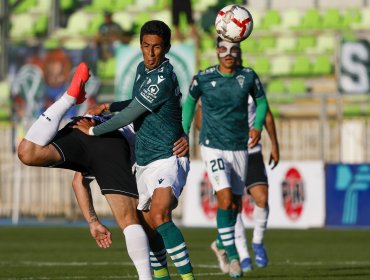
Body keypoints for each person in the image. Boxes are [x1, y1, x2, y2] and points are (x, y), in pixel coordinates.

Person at [16, 62, 188, 280]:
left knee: (28, 152)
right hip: (108, 138)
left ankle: (68, 99)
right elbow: (151, 115)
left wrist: (93, 222)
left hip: (82, 125)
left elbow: (78, 182)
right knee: (130, 221)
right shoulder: (150, 117)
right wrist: (183, 136)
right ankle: (147, 278)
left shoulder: (137, 107)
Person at [74, 20, 195, 280]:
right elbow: (136, 103)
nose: (150, 54)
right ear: (140, 45)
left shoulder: (163, 77)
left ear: (167, 48)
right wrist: (108, 105)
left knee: (161, 215)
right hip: (144, 161)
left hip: (168, 155)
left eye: (157, 48)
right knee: (149, 229)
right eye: (146, 46)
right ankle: (162, 277)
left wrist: (93, 131)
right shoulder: (142, 69)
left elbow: (130, 114)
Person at [182, 36, 268, 278]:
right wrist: (183, 133)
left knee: (236, 206)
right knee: (225, 196)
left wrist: (257, 127)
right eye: (223, 49)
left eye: (233, 49)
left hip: (239, 147)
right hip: (212, 146)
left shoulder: (249, 76)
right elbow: (189, 103)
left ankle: (220, 243)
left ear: (239, 51)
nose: (228, 53)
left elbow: (262, 104)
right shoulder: (204, 77)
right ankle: (233, 257)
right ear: (217, 52)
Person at [195, 95, 280, 273]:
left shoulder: (249, 83)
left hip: (251, 151)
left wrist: (275, 145)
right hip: (224, 152)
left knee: (262, 199)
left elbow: (268, 115)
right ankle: (243, 255)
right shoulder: (213, 86)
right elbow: (198, 124)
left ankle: (256, 242)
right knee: (233, 204)